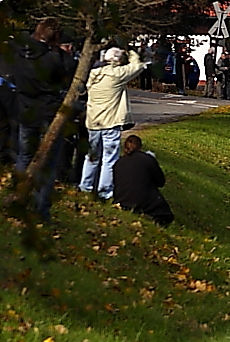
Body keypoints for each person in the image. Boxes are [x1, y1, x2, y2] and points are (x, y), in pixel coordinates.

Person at [12, 19, 76, 219]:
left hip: (25, 109)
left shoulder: (21, 53)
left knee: (24, 156)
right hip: (48, 113)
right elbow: (68, 72)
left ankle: (20, 199)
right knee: (48, 163)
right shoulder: (53, 59)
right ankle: (40, 210)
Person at [80, 47, 146, 201]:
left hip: (93, 121)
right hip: (110, 122)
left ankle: (85, 186)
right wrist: (131, 50)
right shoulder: (116, 75)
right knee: (109, 159)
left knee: (91, 156)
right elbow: (138, 66)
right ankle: (104, 191)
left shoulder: (93, 75)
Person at [113, 134, 173, 225]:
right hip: (143, 202)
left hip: (121, 200)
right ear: (140, 147)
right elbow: (161, 182)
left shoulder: (118, 163)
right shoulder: (147, 160)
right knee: (166, 216)